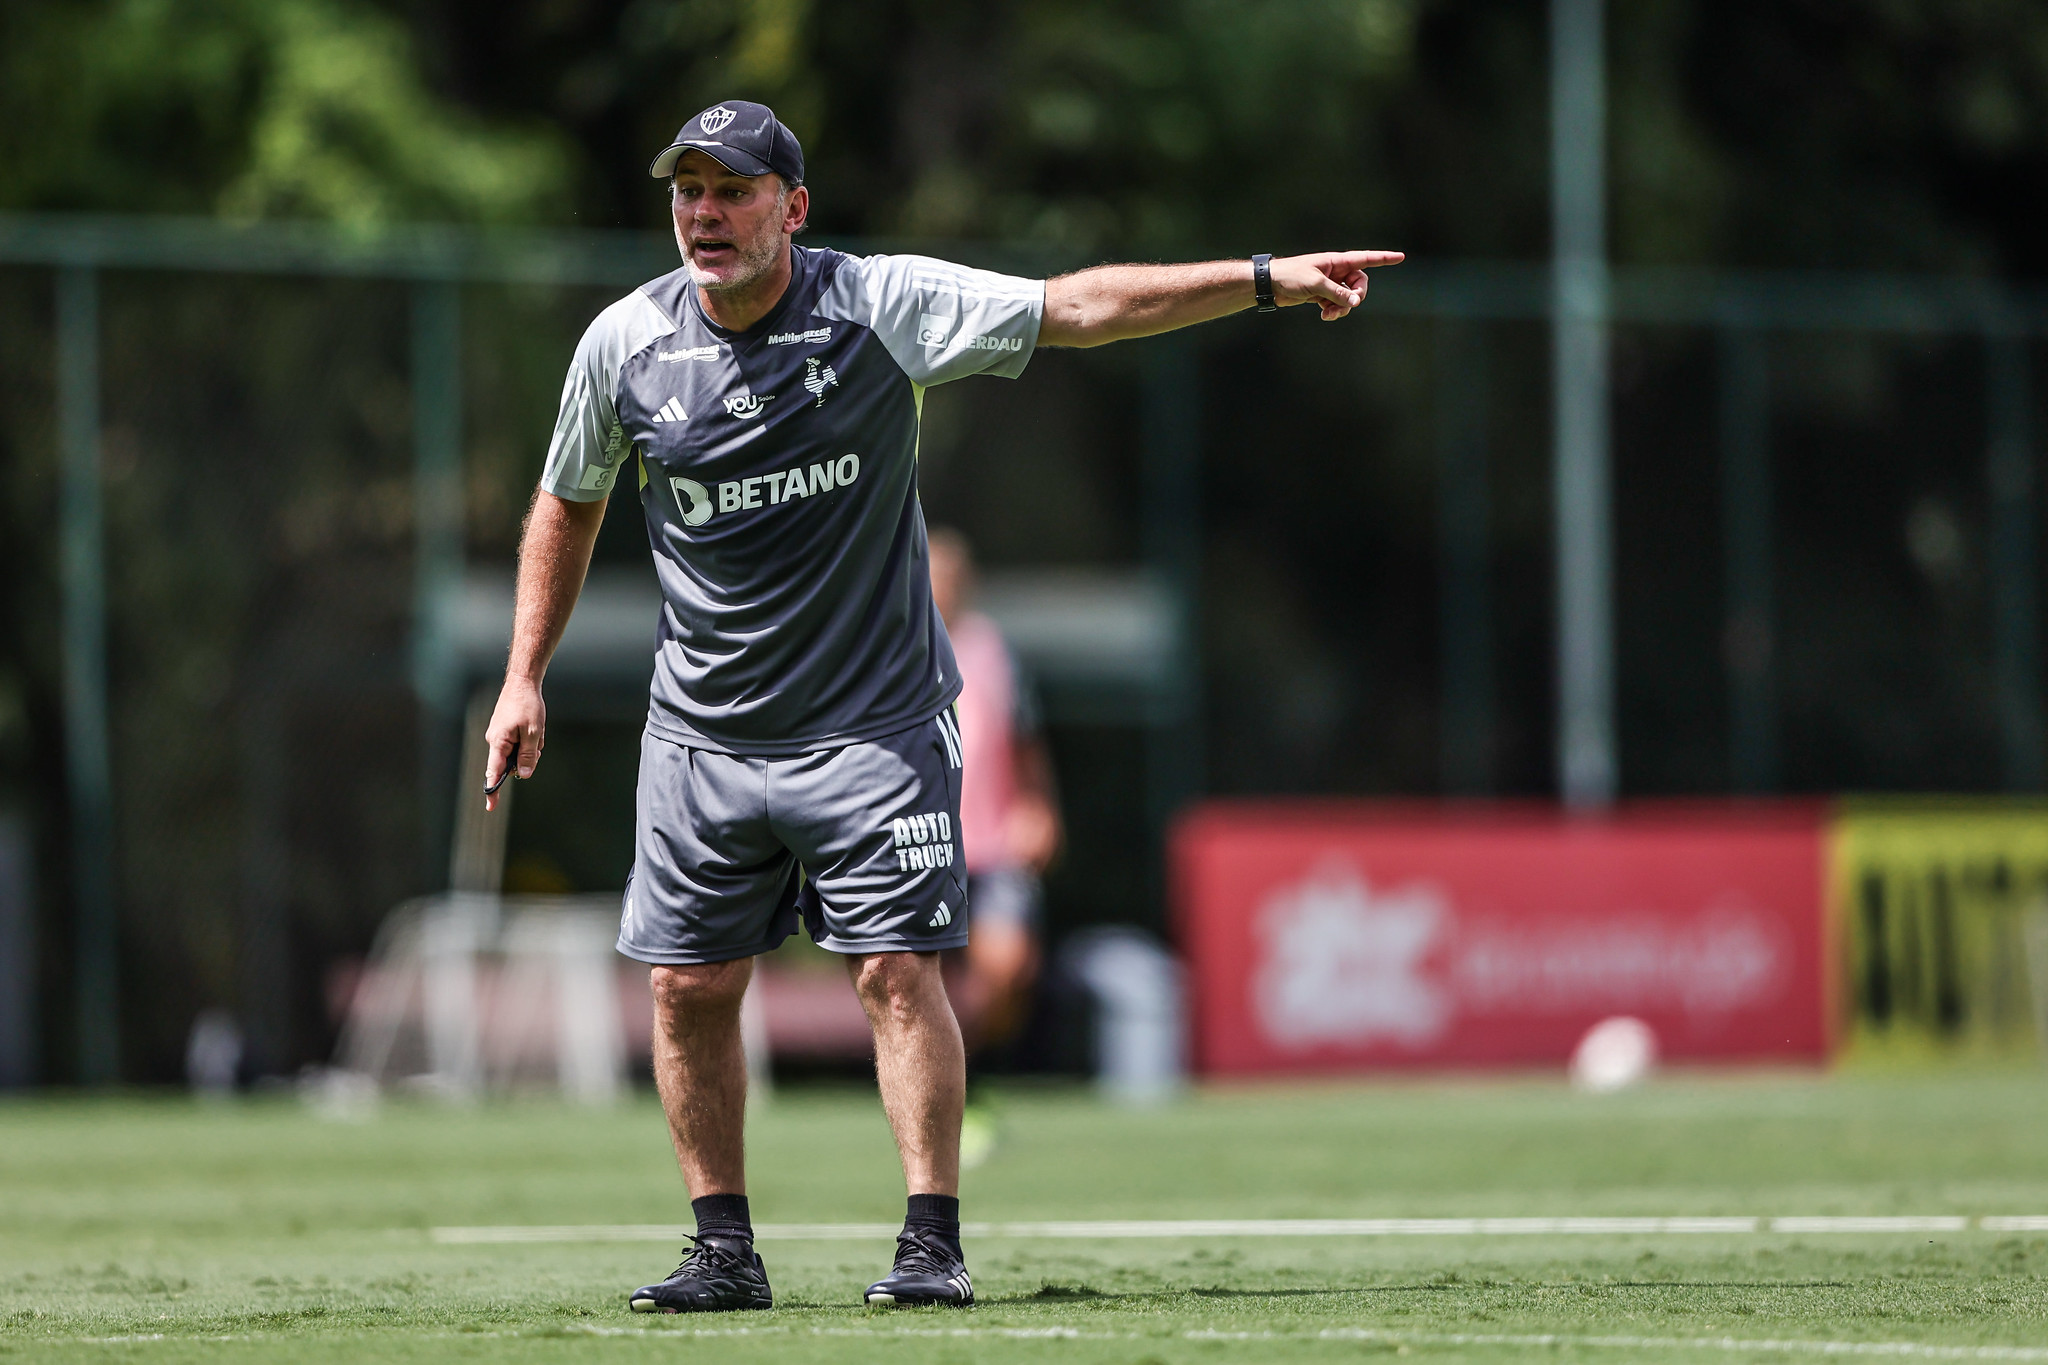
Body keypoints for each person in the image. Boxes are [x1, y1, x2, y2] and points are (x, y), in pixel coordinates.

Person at [482, 99, 1400, 1314]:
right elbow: (566, 501)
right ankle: (721, 1249)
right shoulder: (623, 344)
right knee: (686, 986)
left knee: (893, 971)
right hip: (700, 732)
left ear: (792, 209)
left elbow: (1075, 307)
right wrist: (522, 674)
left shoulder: (879, 302)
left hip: (871, 723)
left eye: (733, 190)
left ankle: (930, 1240)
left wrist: (1265, 277)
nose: (704, 213)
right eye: (687, 191)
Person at [926, 529, 1060, 1071]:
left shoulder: (995, 653)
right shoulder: (896, 649)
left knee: (1007, 968)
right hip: (924, 840)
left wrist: (1041, 808)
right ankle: (938, 1079)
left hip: (993, 844)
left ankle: (961, 1067)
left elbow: (1028, 743)